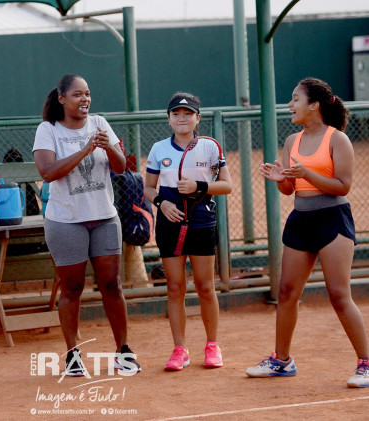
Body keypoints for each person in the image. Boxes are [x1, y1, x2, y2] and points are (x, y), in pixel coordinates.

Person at [246, 78, 369, 387]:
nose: (290, 105)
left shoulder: (337, 139)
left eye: (295, 99)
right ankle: (281, 361)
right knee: (287, 292)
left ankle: (366, 363)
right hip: (301, 219)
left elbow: (343, 186)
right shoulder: (292, 141)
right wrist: (281, 179)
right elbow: (290, 189)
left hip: (333, 220)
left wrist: (307, 173)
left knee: (339, 295)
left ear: (314, 104)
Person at [33, 74, 141, 376]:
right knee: (72, 288)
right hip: (66, 221)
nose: (85, 99)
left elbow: (121, 167)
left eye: (88, 93)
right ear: (62, 99)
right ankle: (72, 354)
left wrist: (110, 147)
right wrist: (84, 150)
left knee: (111, 285)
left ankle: (123, 351)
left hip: (104, 217)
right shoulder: (48, 129)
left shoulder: (100, 123)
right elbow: (47, 172)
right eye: (78, 94)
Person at [144, 92, 232, 371]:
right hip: (169, 224)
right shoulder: (159, 149)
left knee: (205, 286)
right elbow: (148, 188)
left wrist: (199, 187)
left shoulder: (210, 148)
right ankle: (180, 349)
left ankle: (212, 346)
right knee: (175, 287)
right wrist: (162, 203)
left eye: (188, 114)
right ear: (168, 119)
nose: (182, 118)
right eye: (176, 114)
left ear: (198, 118)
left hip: (202, 221)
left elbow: (227, 185)